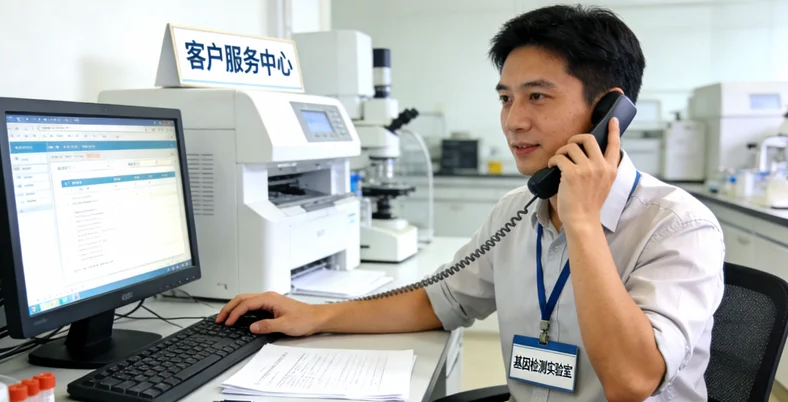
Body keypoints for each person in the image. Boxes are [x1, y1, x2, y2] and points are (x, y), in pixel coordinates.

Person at [216, 4, 725, 401]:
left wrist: (583, 224)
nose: (513, 121)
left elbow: (632, 381)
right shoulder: (516, 210)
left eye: (537, 97)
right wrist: (316, 316)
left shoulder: (678, 226)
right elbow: (440, 300)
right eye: (506, 98)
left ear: (609, 111)